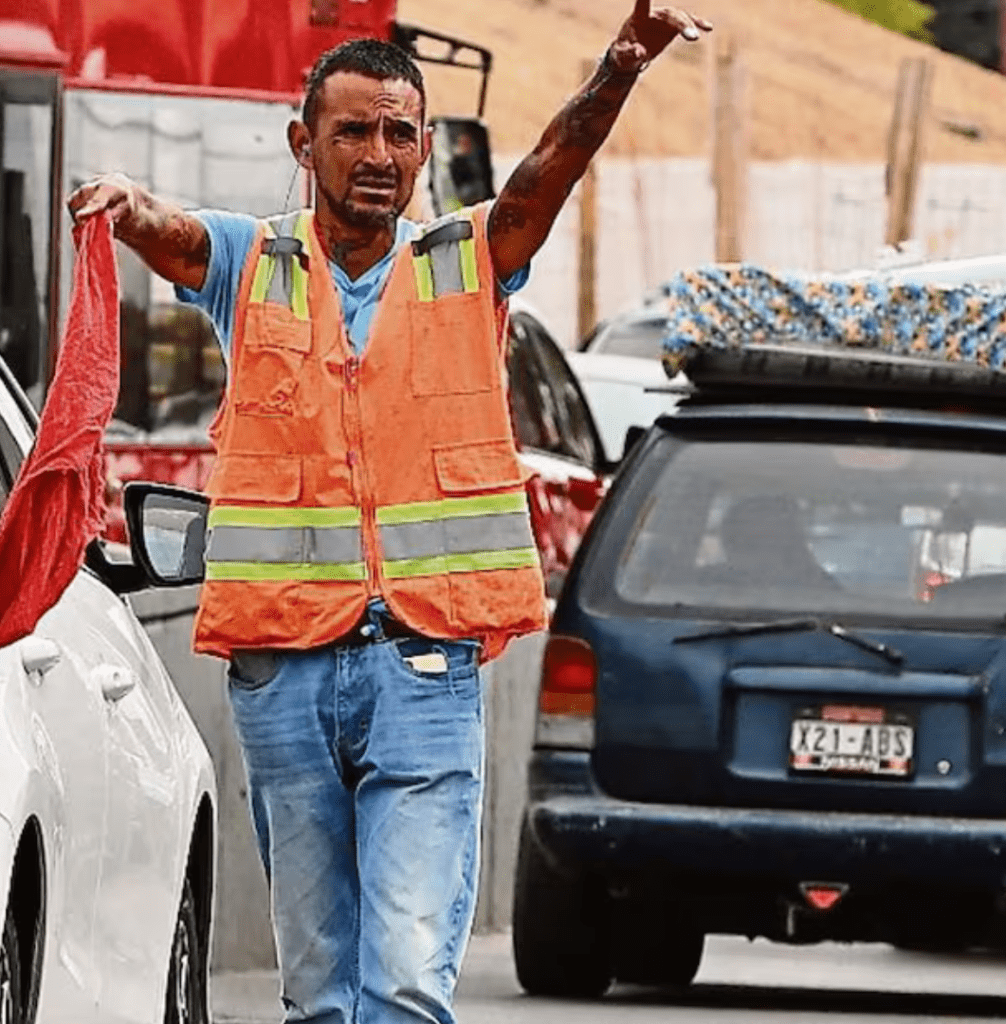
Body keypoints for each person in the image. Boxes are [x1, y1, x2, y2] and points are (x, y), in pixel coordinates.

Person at [69, 4, 711, 1022]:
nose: (380, 154)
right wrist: (128, 207)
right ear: (303, 142)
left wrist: (618, 69)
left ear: (423, 146)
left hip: (422, 674)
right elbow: (174, 233)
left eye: (400, 133)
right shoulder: (255, 262)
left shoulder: (466, 257)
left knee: (407, 984)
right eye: (354, 131)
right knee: (319, 996)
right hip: (284, 679)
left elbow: (550, 168)